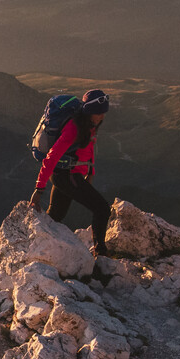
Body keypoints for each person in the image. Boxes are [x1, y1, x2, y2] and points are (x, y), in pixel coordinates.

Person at [26, 89, 112, 256]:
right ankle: (100, 252)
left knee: (55, 217)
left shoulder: (89, 124)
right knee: (102, 209)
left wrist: (90, 172)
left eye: (103, 113)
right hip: (65, 176)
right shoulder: (74, 128)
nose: (102, 116)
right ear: (89, 111)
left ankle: (36, 250)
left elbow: (89, 147)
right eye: (98, 113)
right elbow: (51, 158)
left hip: (69, 174)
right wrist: (39, 189)